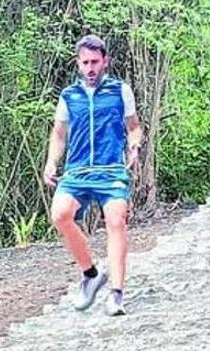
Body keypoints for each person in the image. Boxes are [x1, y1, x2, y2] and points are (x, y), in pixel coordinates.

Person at [43, 35, 143, 316]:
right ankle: (90, 274)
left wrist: (134, 145)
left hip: (111, 169)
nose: (90, 68)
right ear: (78, 64)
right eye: (85, 63)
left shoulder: (119, 91)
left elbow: (134, 127)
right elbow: (59, 134)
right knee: (60, 215)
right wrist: (52, 162)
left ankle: (116, 294)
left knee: (116, 221)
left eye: (95, 62)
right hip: (76, 170)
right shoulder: (68, 96)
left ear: (105, 62)